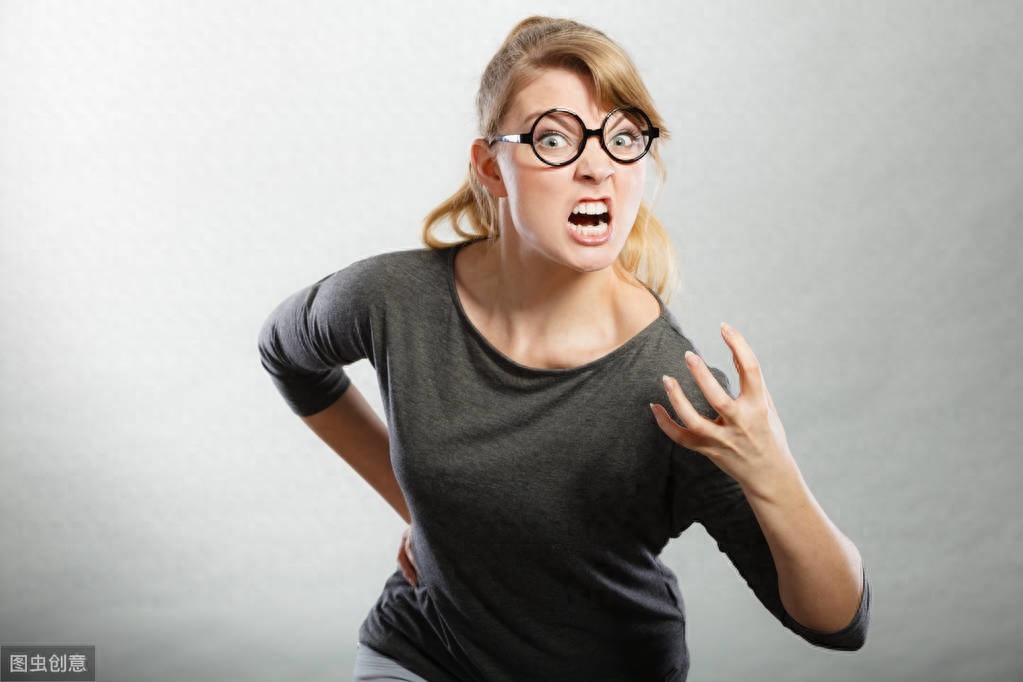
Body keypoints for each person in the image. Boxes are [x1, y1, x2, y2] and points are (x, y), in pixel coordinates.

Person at [257, 15, 871, 682]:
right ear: (491, 167)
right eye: (553, 138)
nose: (597, 167)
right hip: (421, 656)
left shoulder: (673, 389)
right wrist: (425, 514)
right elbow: (286, 353)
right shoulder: (392, 300)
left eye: (623, 138)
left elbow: (838, 624)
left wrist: (774, 472)